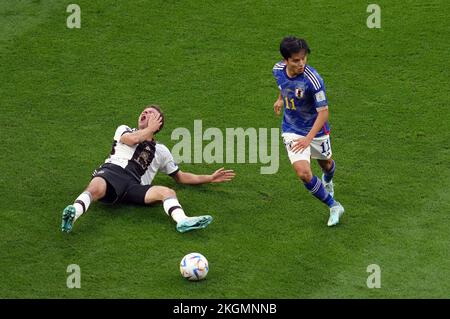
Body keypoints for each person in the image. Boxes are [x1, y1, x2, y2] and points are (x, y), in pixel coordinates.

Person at [61, 105, 235, 233]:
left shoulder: (162, 151)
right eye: (143, 111)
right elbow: (131, 140)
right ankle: (73, 214)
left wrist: (209, 178)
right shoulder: (124, 129)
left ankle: (183, 221)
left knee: (167, 192)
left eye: (150, 113)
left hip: (134, 187)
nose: (144, 113)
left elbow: (180, 177)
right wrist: (149, 129)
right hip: (113, 172)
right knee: (96, 187)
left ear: (158, 124)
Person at [272, 36, 345, 226]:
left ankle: (328, 180)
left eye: (304, 58)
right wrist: (280, 99)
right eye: (296, 60)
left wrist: (308, 139)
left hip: (316, 130)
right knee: (303, 173)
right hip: (291, 129)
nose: (301, 63)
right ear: (286, 60)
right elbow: (283, 85)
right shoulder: (277, 70)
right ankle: (334, 205)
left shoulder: (313, 80)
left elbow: (324, 113)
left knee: (326, 165)